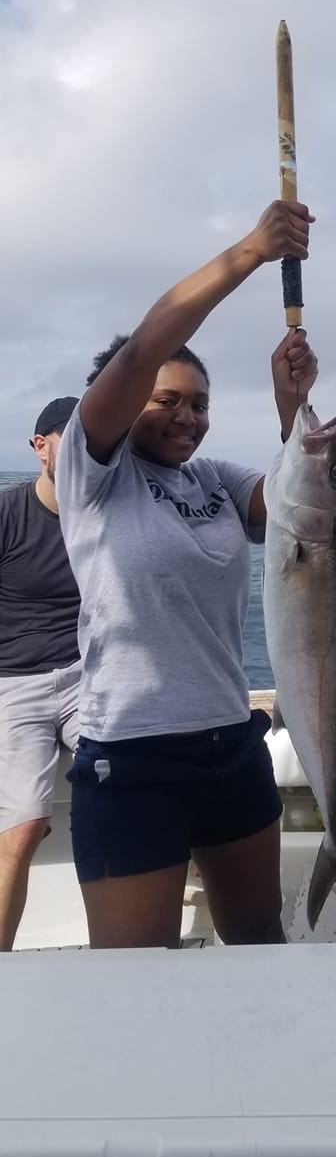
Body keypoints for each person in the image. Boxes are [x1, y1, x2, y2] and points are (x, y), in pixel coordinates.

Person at [55, 198, 317, 949]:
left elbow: (300, 513)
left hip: (230, 747)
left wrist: (291, 409)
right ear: (121, 402)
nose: (187, 417)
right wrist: (252, 251)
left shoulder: (216, 480)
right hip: (130, 756)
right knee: (135, 976)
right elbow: (143, 350)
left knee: (259, 940)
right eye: (166, 400)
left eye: (200, 404)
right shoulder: (92, 474)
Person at [0, 397, 81, 950]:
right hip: (13, 683)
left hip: (86, 676)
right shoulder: (7, 514)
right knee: (24, 825)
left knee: (137, 783)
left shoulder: (103, 515)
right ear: (40, 446)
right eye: (69, 441)